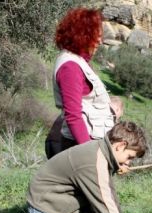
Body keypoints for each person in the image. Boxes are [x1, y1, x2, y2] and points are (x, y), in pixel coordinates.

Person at [28, 121, 147, 213]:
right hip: (44, 201)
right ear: (121, 145)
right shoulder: (95, 161)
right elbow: (105, 204)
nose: (128, 163)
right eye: (129, 157)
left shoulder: (102, 151)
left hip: (67, 205)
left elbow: (110, 195)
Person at [45, 8, 120, 160]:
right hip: (81, 148)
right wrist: (90, 155)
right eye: (96, 36)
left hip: (89, 146)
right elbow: (74, 116)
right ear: (82, 34)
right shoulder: (70, 67)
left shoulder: (78, 63)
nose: (100, 41)